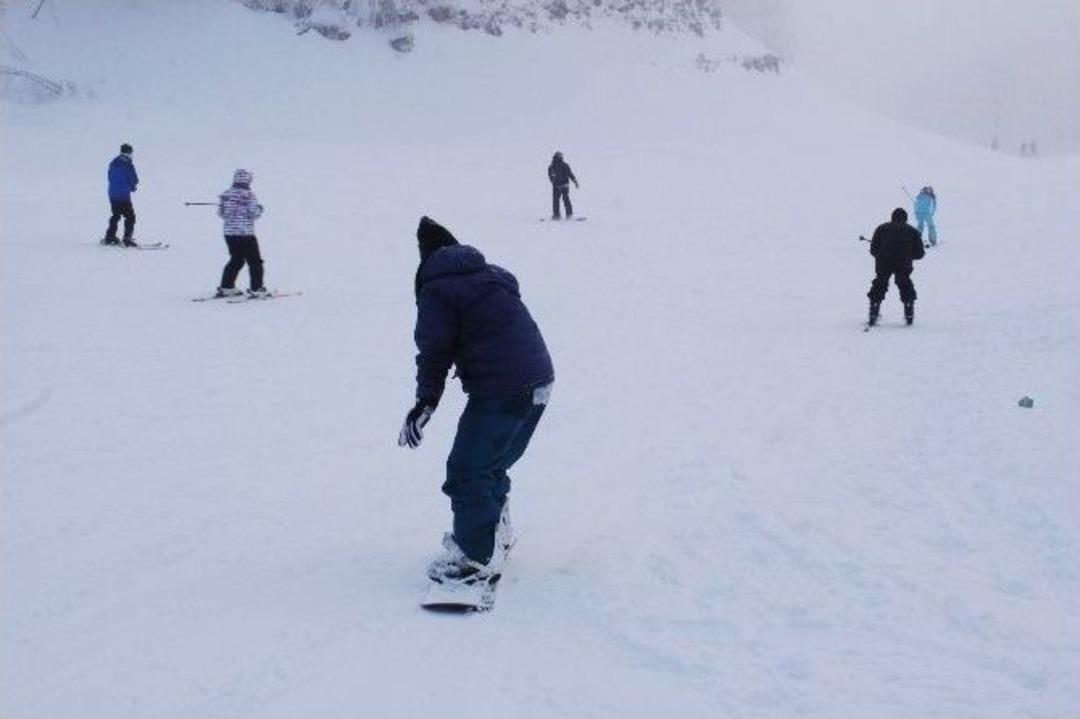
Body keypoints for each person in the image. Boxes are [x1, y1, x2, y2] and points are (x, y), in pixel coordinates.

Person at [398, 216, 554, 585]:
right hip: (539, 380)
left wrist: (426, 402)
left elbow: (435, 350)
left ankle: (476, 559)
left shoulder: (438, 289)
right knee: (490, 465)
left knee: (468, 471)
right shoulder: (492, 275)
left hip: (502, 388)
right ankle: (493, 534)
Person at [867, 208, 925, 326]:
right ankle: (909, 310)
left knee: (880, 283)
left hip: (884, 261)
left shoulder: (881, 228)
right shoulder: (912, 231)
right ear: (906, 218)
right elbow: (920, 254)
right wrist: (909, 255)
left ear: (892, 217)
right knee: (904, 283)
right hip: (903, 262)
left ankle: (874, 310)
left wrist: (881, 255)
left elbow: (873, 249)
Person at [214, 169, 268, 298]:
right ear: (248, 180)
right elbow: (253, 213)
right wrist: (260, 208)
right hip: (245, 234)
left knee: (236, 259)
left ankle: (226, 286)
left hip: (229, 234)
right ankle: (257, 288)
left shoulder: (226, 195)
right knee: (255, 261)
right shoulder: (249, 195)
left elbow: (222, 214)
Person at [102, 143, 139, 246]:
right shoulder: (128, 164)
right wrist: (132, 187)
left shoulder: (114, 162)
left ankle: (110, 236)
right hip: (123, 196)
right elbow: (134, 179)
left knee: (116, 215)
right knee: (130, 217)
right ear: (128, 152)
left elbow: (110, 176)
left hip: (112, 194)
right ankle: (127, 238)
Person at [547, 151, 579, 220]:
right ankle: (564, 215)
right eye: (560, 156)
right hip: (561, 186)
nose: (562, 157)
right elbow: (570, 174)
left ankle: (560, 215)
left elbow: (569, 174)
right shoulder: (556, 166)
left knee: (559, 200)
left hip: (560, 186)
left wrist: (574, 181)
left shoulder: (554, 166)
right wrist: (575, 181)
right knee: (562, 200)